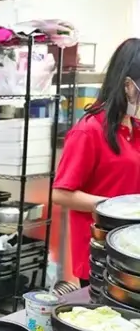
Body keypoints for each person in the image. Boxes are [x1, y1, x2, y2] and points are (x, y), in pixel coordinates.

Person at [53, 38, 140, 286]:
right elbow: (61, 194)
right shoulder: (89, 131)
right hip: (101, 253)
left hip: (131, 248)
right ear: (126, 85)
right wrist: (114, 207)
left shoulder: (135, 128)